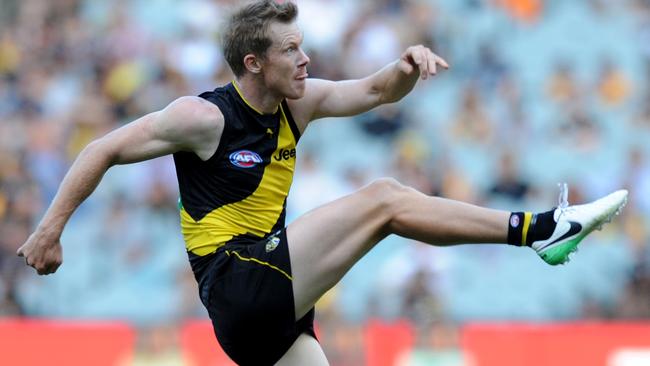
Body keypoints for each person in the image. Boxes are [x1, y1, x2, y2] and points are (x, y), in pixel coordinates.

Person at [16, 1, 628, 365]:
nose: (306, 59)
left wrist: (405, 64)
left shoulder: (298, 103)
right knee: (384, 199)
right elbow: (102, 147)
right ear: (255, 63)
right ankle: (541, 231)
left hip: (271, 311)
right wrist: (49, 231)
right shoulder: (202, 117)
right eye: (292, 50)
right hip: (239, 283)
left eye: (304, 45)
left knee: (385, 203)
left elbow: (373, 91)